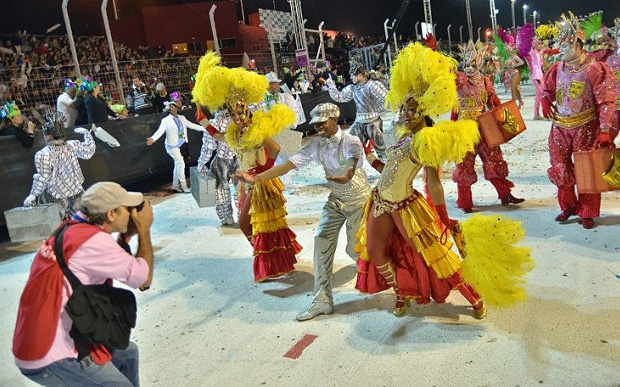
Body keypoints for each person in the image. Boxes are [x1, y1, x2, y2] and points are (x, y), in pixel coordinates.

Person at [234, 103, 371, 320]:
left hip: (358, 200)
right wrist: (257, 178)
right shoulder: (316, 145)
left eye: (322, 122)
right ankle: (322, 301)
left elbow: (353, 159)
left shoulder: (351, 140)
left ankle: (395, 279)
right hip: (335, 200)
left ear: (334, 120)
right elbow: (289, 164)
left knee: (354, 250)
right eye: (315, 124)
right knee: (321, 242)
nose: (317, 127)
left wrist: (348, 173)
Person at [13, 181, 154, 386]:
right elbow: (143, 278)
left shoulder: (71, 230)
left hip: (53, 332)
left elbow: (108, 263)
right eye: (127, 208)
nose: (132, 213)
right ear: (111, 215)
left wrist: (125, 237)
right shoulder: (93, 242)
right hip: (50, 353)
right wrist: (144, 230)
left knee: (127, 354)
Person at [194, 51, 302, 282]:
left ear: (247, 110)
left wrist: (264, 173)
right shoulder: (237, 132)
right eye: (233, 114)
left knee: (245, 223)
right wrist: (204, 122)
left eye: (240, 112)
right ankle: (274, 261)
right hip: (246, 182)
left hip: (259, 182)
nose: (237, 117)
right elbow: (223, 139)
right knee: (263, 226)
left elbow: (275, 148)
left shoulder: (256, 130)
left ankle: (264, 261)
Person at [542, 12, 618, 229]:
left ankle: (587, 211)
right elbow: (548, 88)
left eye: (564, 46)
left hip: (586, 126)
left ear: (577, 45)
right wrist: (547, 99)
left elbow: (606, 101)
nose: (560, 50)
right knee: (560, 168)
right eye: (560, 45)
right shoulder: (558, 68)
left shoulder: (595, 68)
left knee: (587, 171)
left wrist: (604, 128)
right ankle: (568, 206)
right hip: (559, 126)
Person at [452, 41, 525, 213]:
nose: (469, 68)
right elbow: (446, 74)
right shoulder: (460, 81)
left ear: (479, 64)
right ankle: (465, 202)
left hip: (484, 128)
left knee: (494, 161)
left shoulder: (485, 82)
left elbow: (493, 101)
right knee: (465, 166)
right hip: (465, 130)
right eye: (467, 65)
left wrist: (504, 117)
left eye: (473, 64)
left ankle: (505, 194)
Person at [24, 110, 95, 218]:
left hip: (59, 197)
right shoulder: (72, 146)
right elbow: (88, 151)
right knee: (81, 224)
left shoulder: (44, 154)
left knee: (63, 227)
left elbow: (43, 177)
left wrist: (33, 194)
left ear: (47, 135)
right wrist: (87, 134)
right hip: (73, 193)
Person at [325, 59, 388, 161]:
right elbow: (341, 97)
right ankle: (350, 169)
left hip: (373, 123)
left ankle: (387, 171)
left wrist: (378, 109)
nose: (350, 77)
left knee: (381, 150)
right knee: (348, 145)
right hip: (359, 123)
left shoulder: (372, 85)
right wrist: (332, 86)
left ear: (360, 75)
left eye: (352, 75)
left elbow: (386, 98)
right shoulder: (353, 88)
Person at [147, 100, 206, 193]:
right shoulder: (166, 120)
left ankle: (175, 186)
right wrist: (153, 139)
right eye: (171, 108)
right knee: (181, 164)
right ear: (169, 110)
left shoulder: (182, 118)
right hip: (171, 146)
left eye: (174, 107)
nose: (173, 109)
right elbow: (160, 131)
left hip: (181, 144)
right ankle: (184, 187)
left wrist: (204, 129)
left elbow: (192, 125)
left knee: (177, 165)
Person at [196, 109, 238, 225]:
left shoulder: (212, 122)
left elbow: (208, 147)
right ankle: (243, 215)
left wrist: (201, 164)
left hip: (223, 159)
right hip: (238, 157)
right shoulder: (238, 118)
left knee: (221, 189)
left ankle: (226, 217)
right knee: (240, 189)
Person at [529, 40, 545, 120]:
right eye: (538, 44)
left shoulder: (539, 53)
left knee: (540, 95)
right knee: (540, 94)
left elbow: (545, 50)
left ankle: (537, 114)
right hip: (536, 76)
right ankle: (537, 114)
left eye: (540, 44)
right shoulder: (533, 52)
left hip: (540, 75)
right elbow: (531, 49)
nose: (540, 45)